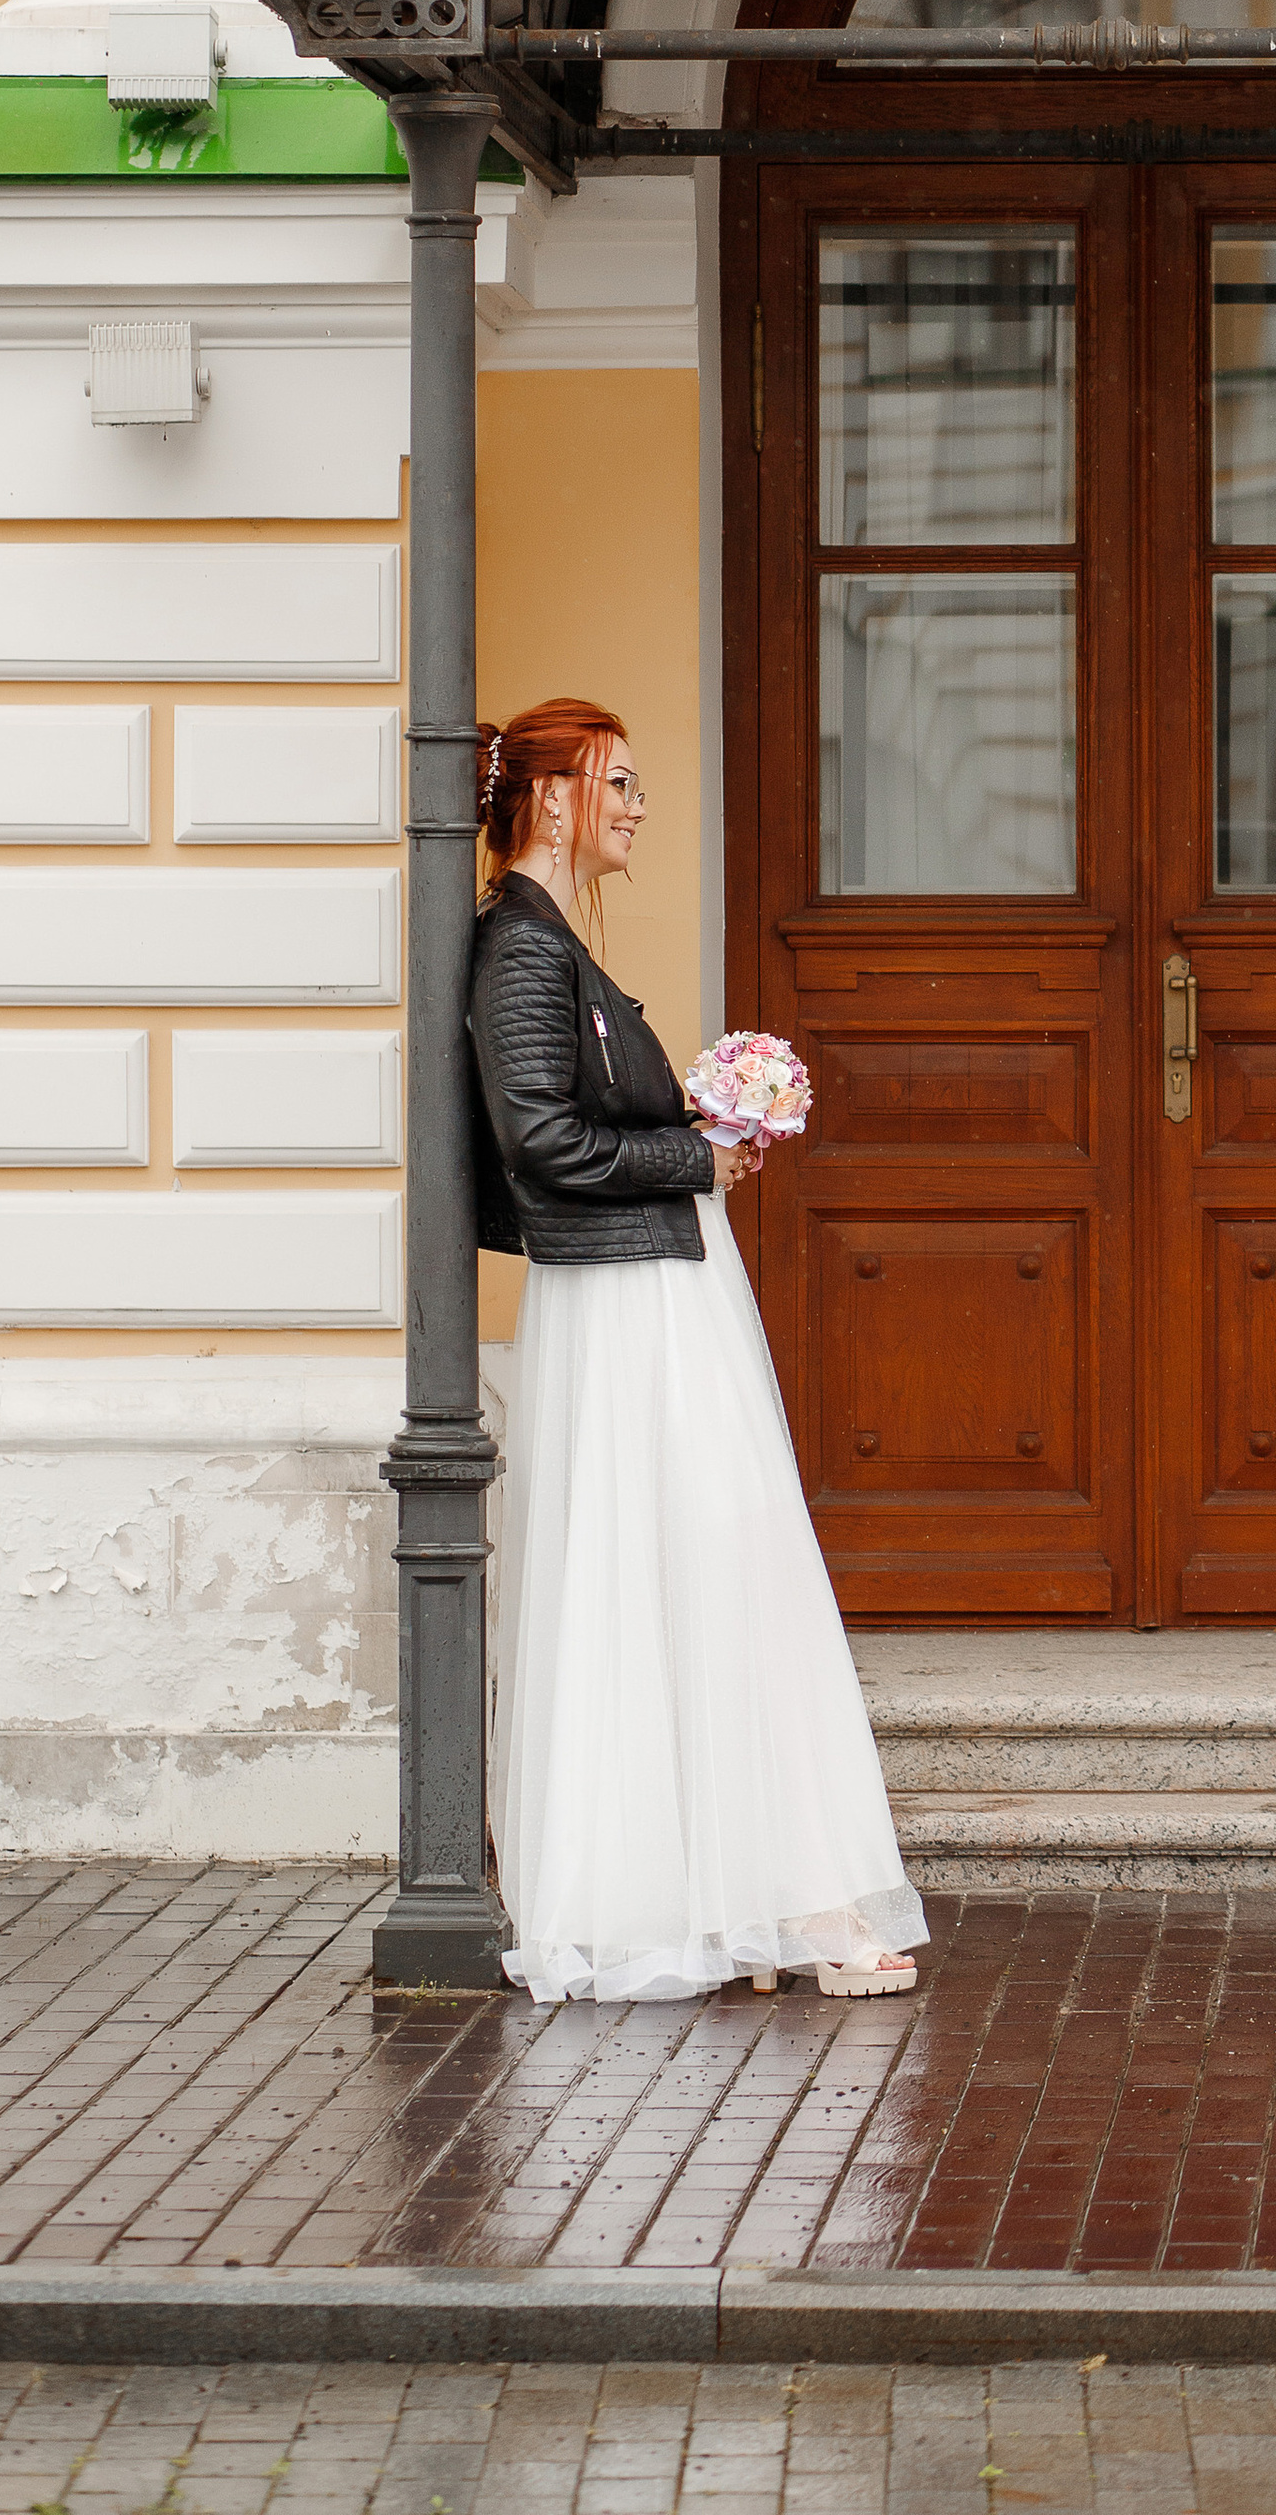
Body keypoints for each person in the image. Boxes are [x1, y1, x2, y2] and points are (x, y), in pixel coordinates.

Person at [471, 694, 927, 2007]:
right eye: (617, 786)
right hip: (626, 1306)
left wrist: (682, 1116)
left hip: (654, 1289)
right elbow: (538, 1144)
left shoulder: (552, 947)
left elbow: (571, 1119)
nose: (638, 810)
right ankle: (745, 1902)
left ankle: (765, 1897)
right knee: (697, 1562)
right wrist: (698, 1153)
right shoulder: (520, 951)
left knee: (713, 1567)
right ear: (552, 799)